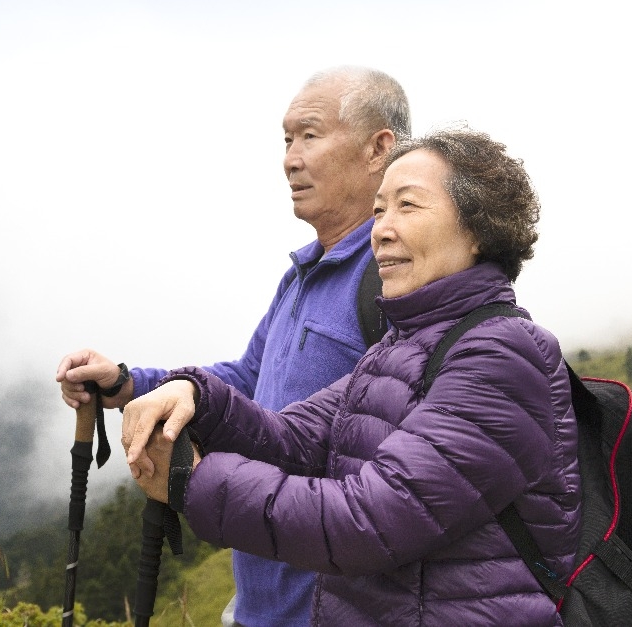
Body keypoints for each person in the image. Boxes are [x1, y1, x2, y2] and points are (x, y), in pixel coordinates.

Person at [121, 127, 583, 626]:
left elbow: (371, 521)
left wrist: (194, 483)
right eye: (379, 209)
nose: (380, 229)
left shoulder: (504, 355)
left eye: (408, 205)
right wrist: (199, 396)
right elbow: (292, 441)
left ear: (477, 230)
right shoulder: (401, 346)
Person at [56, 66, 411, 626]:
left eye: (310, 135)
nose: (290, 158)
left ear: (378, 148)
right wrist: (127, 384)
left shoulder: (397, 281)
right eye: (286, 140)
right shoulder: (303, 274)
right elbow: (247, 379)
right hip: (259, 606)